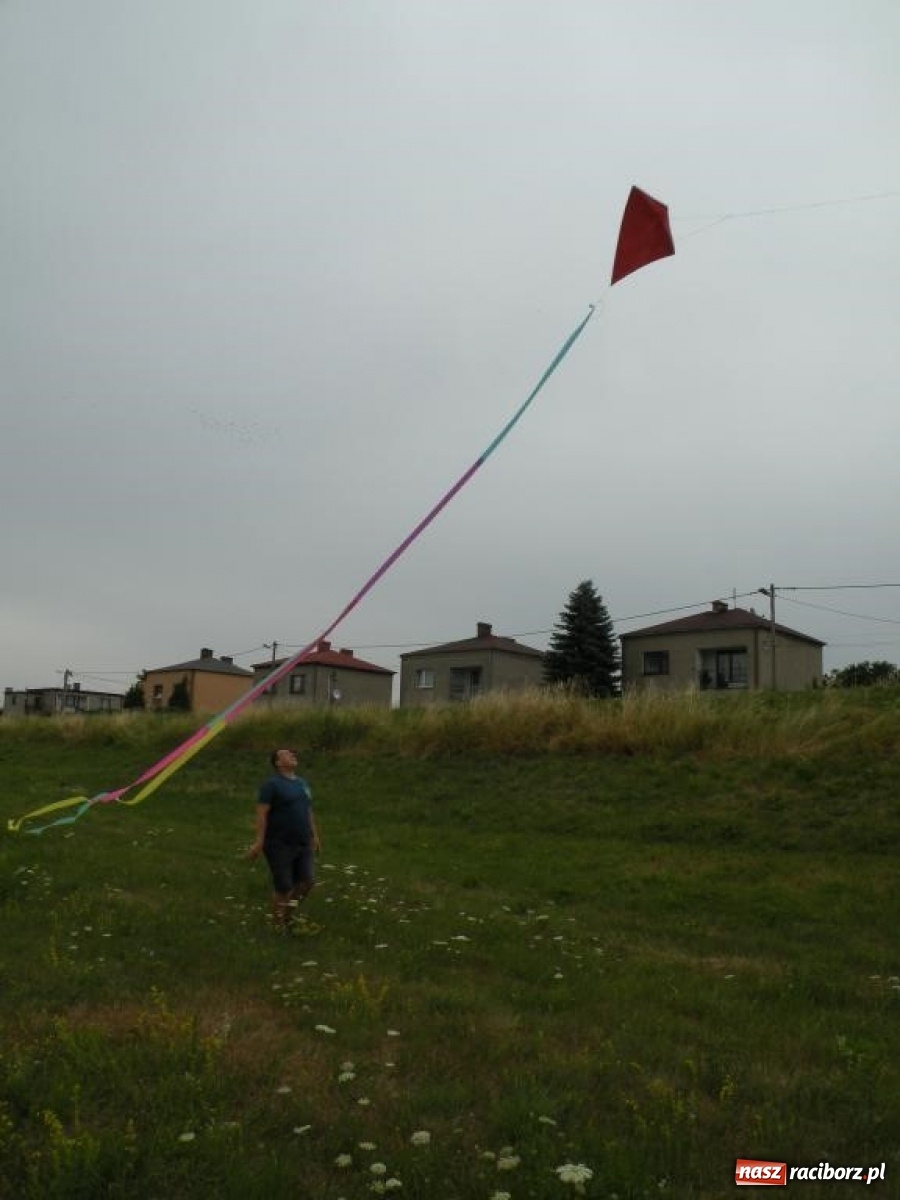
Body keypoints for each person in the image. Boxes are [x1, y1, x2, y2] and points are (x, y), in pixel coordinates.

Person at [249, 748, 321, 932]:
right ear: (278, 763)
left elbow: (308, 810)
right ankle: (278, 925)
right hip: (279, 843)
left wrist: (315, 835)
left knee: (307, 882)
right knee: (284, 886)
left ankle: (288, 916)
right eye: (287, 755)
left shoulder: (302, 783)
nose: (293, 755)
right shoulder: (271, 785)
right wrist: (259, 841)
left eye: (293, 754)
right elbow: (262, 813)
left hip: (303, 841)